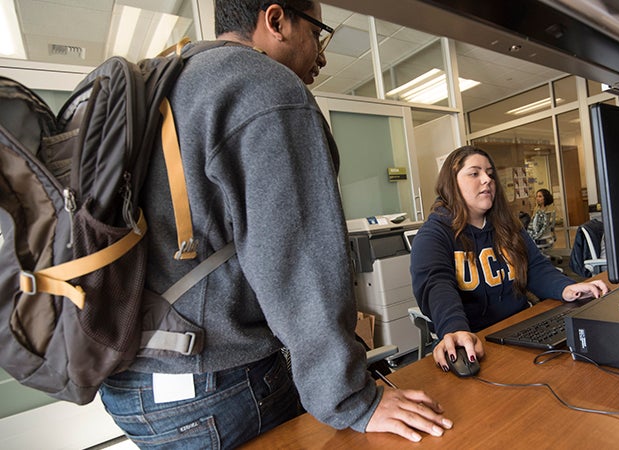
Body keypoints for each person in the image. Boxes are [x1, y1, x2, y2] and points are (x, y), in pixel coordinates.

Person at [98, 1, 451, 448]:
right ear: (276, 20)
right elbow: (299, 265)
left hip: (133, 382)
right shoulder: (265, 86)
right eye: (318, 33)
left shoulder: (164, 82)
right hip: (215, 384)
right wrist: (353, 398)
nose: (322, 54)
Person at [410, 146, 609, 370]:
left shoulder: (507, 225)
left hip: (519, 328)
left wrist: (567, 288)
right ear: (451, 183)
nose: (487, 179)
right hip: (478, 340)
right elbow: (436, 285)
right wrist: (454, 328)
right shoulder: (433, 234)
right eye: (475, 173)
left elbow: (534, 267)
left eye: (490, 173)